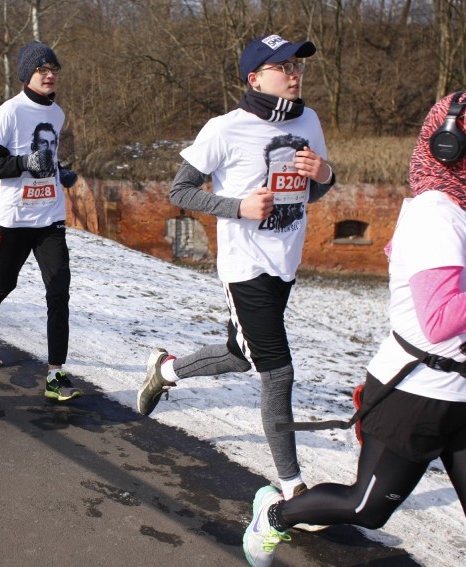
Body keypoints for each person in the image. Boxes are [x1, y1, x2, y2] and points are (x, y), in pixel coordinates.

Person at [242, 90, 466, 567]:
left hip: (462, 392)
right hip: (418, 393)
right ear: (450, 145)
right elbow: (441, 319)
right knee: (366, 508)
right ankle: (276, 516)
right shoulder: (437, 217)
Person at [136, 34, 336, 500]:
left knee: (240, 353)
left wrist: (325, 175)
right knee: (277, 370)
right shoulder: (225, 128)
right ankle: (292, 488)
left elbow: (313, 191)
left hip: (285, 261)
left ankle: (165, 372)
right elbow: (180, 191)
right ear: (255, 77)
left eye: (297, 65)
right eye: (284, 66)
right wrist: (237, 207)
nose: (295, 73)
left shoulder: (309, 120)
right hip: (245, 266)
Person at [0, 40, 81, 402]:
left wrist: (60, 172)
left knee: (59, 291)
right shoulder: (9, 113)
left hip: (50, 217)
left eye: (54, 70)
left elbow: (49, 157)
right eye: (42, 70)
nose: (50, 76)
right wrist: (24, 164)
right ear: (27, 74)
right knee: (4, 282)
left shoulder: (58, 114)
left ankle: (55, 375)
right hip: (15, 218)